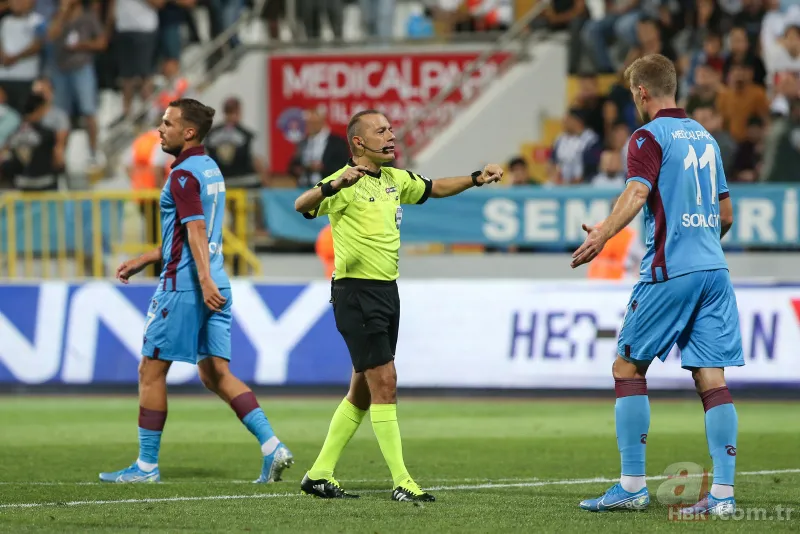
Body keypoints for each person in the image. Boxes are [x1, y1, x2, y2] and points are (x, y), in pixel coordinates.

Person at [294, 109, 502, 502]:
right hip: (356, 293)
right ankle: (402, 481)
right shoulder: (344, 182)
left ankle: (318, 474)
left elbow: (436, 187)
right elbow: (301, 205)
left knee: (363, 390)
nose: (391, 135)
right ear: (359, 142)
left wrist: (476, 178)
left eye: (391, 129)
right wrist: (333, 185)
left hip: (387, 292)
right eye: (381, 131)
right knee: (385, 382)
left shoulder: (395, 179)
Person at [571, 54, 743, 516]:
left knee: (627, 370)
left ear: (641, 92)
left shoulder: (647, 136)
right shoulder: (706, 138)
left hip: (671, 270)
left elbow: (637, 191)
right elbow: (726, 215)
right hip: (715, 271)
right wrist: (702, 244)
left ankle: (631, 486)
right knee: (712, 379)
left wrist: (604, 233)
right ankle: (722, 497)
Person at [98, 98, 293, 484]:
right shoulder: (209, 169)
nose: (160, 128)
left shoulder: (183, 175)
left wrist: (200, 280)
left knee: (150, 370)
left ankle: (146, 467)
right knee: (216, 374)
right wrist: (147, 258)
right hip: (216, 281)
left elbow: (197, 232)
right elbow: (189, 233)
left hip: (186, 287)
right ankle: (272, 447)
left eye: (168, 123)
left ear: (189, 132)